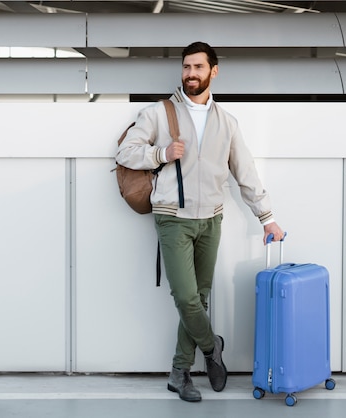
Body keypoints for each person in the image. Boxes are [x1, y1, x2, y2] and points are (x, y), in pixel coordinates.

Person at [115, 41, 285, 402]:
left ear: (213, 71)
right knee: (186, 298)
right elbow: (125, 151)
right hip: (172, 218)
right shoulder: (161, 113)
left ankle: (179, 372)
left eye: (198, 67)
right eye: (186, 67)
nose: (190, 74)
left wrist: (267, 218)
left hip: (211, 219)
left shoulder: (227, 121)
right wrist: (161, 153)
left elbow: (245, 172)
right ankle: (212, 347)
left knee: (200, 298)